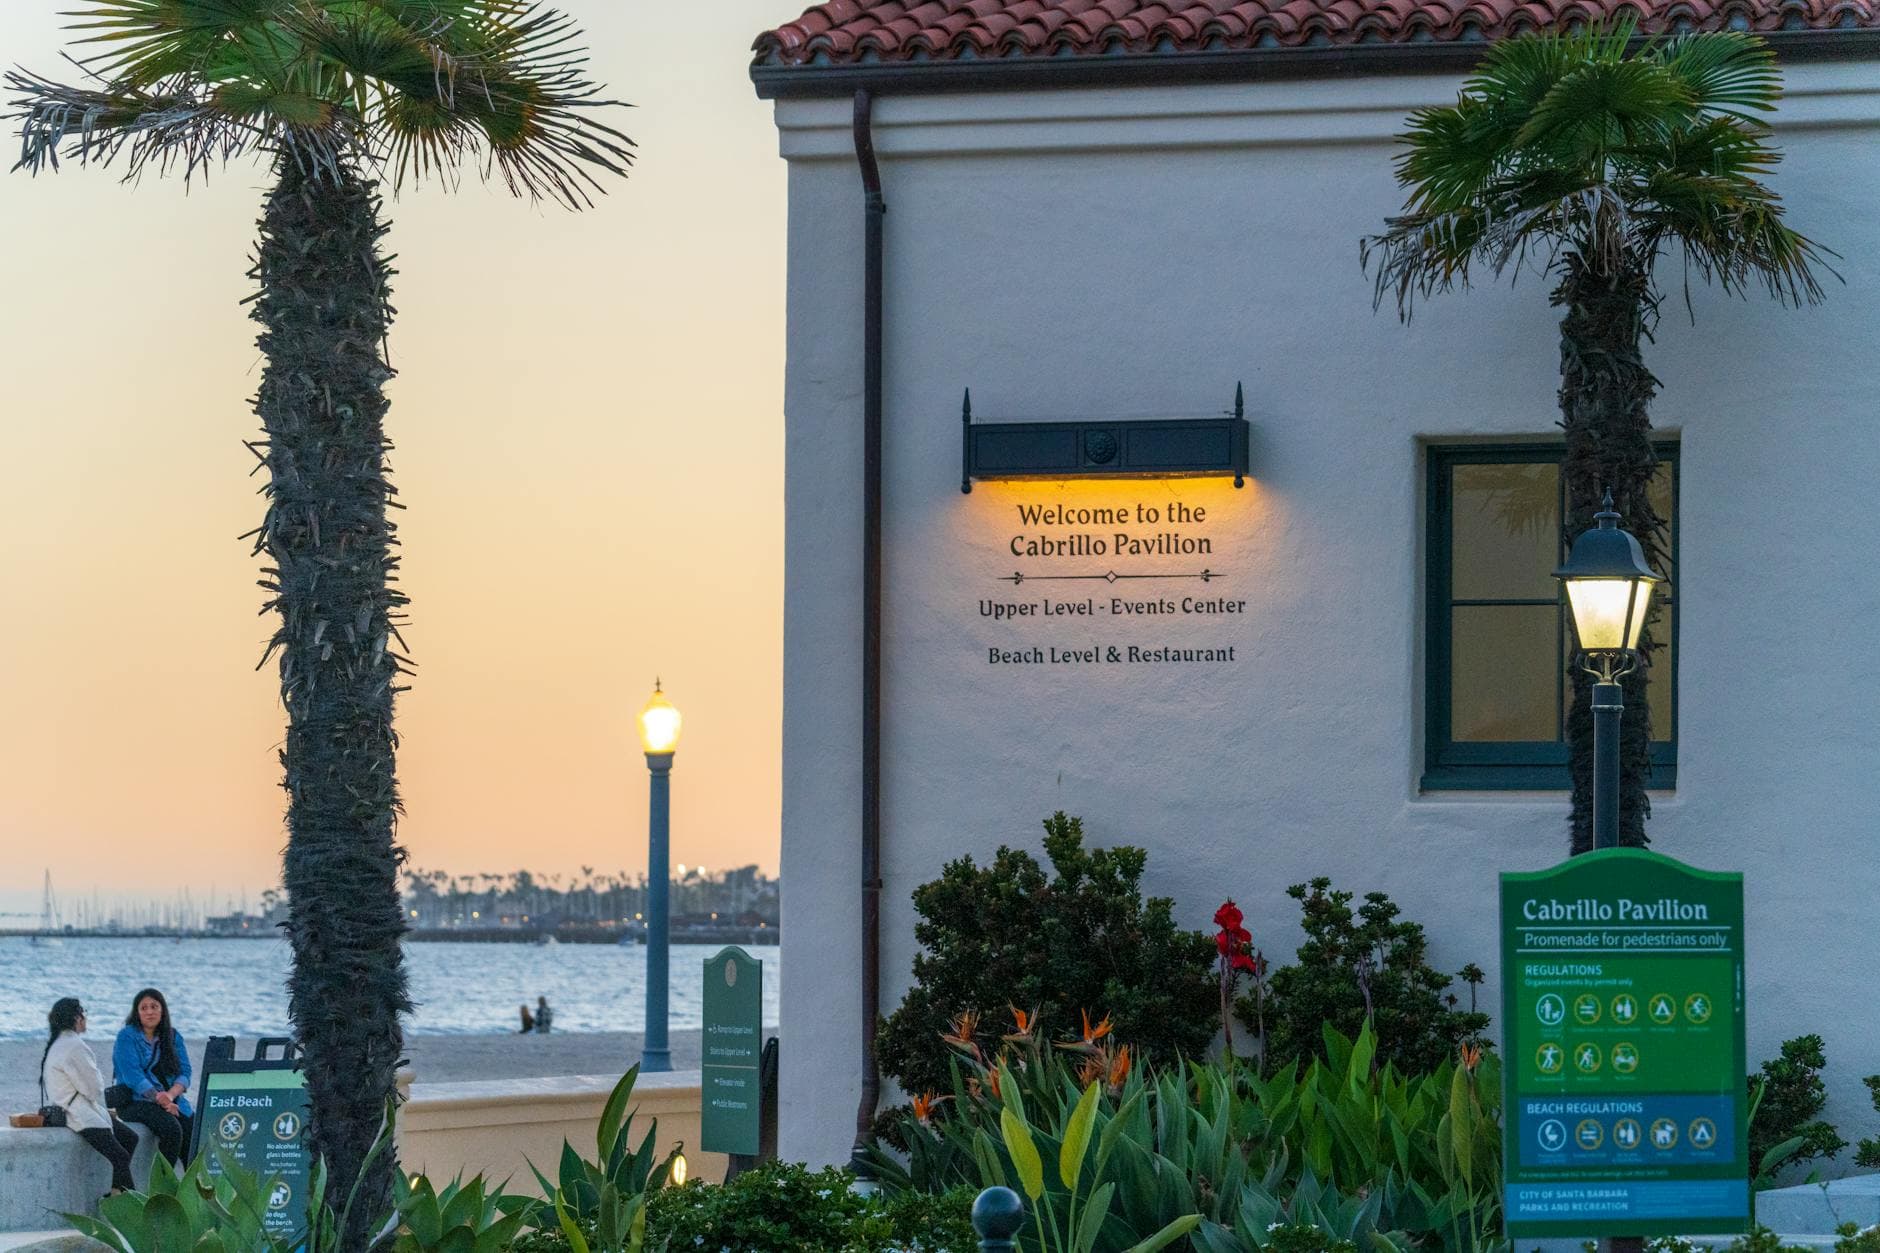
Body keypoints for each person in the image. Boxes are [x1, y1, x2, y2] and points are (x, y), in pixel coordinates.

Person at [41, 997, 139, 1196]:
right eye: (83, 1013)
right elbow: (93, 1089)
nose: (85, 1018)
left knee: (129, 1138)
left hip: (70, 1109)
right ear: (77, 1018)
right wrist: (105, 1108)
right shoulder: (75, 1046)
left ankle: (114, 1192)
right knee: (120, 1156)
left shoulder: (59, 1043)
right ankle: (125, 1204)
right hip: (79, 1114)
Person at [112, 988, 193, 1166]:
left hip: (171, 1099)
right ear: (137, 1013)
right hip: (135, 1101)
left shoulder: (173, 1036)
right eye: (144, 1008)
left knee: (193, 1130)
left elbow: (185, 1073)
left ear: (162, 1010)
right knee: (172, 1129)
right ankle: (162, 1185)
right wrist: (161, 1099)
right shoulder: (127, 1036)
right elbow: (132, 1075)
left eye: (154, 1006)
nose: (149, 1012)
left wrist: (170, 1096)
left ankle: (192, 1187)